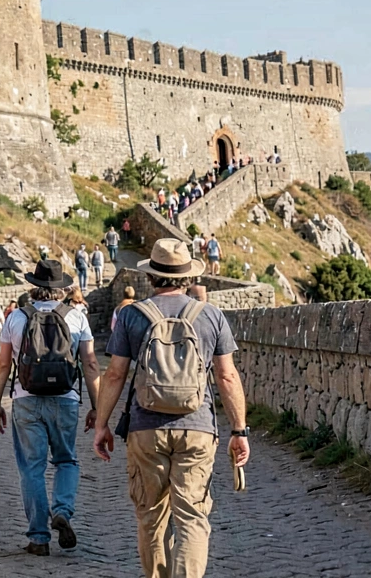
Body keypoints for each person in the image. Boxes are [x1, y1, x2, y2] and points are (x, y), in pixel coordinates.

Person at [93, 239, 250, 578]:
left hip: (145, 428)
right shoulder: (210, 315)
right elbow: (227, 375)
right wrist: (239, 430)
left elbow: (116, 373)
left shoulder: (132, 315)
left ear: (151, 277)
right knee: (192, 516)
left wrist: (102, 424)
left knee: (150, 516)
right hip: (197, 427)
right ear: (187, 277)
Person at [0, 260, 101, 556]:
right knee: (66, 460)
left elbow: (3, 364)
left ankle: (39, 538)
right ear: (61, 289)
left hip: (25, 399)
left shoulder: (16, 317)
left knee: (32, 468)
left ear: (34, 287)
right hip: (65, 399)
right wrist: (97, 407)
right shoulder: (76, 316)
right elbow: (90, 364)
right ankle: (62, 510)